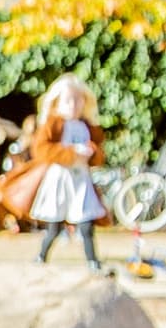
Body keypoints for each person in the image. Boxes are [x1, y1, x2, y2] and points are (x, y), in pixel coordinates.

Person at [18, 76, 107, 266]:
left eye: (78, 99)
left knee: (86, 223)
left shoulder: (88, 127)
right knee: (54, 225)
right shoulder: (53, 124)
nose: (74, 105)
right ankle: (41, 256)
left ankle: (93, 261)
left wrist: (90, 153)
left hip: (81, 181)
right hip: (59, 181)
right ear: (57, 102)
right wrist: (70, 153)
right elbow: (41, 150)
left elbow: (99, 154)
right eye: (69, 100)